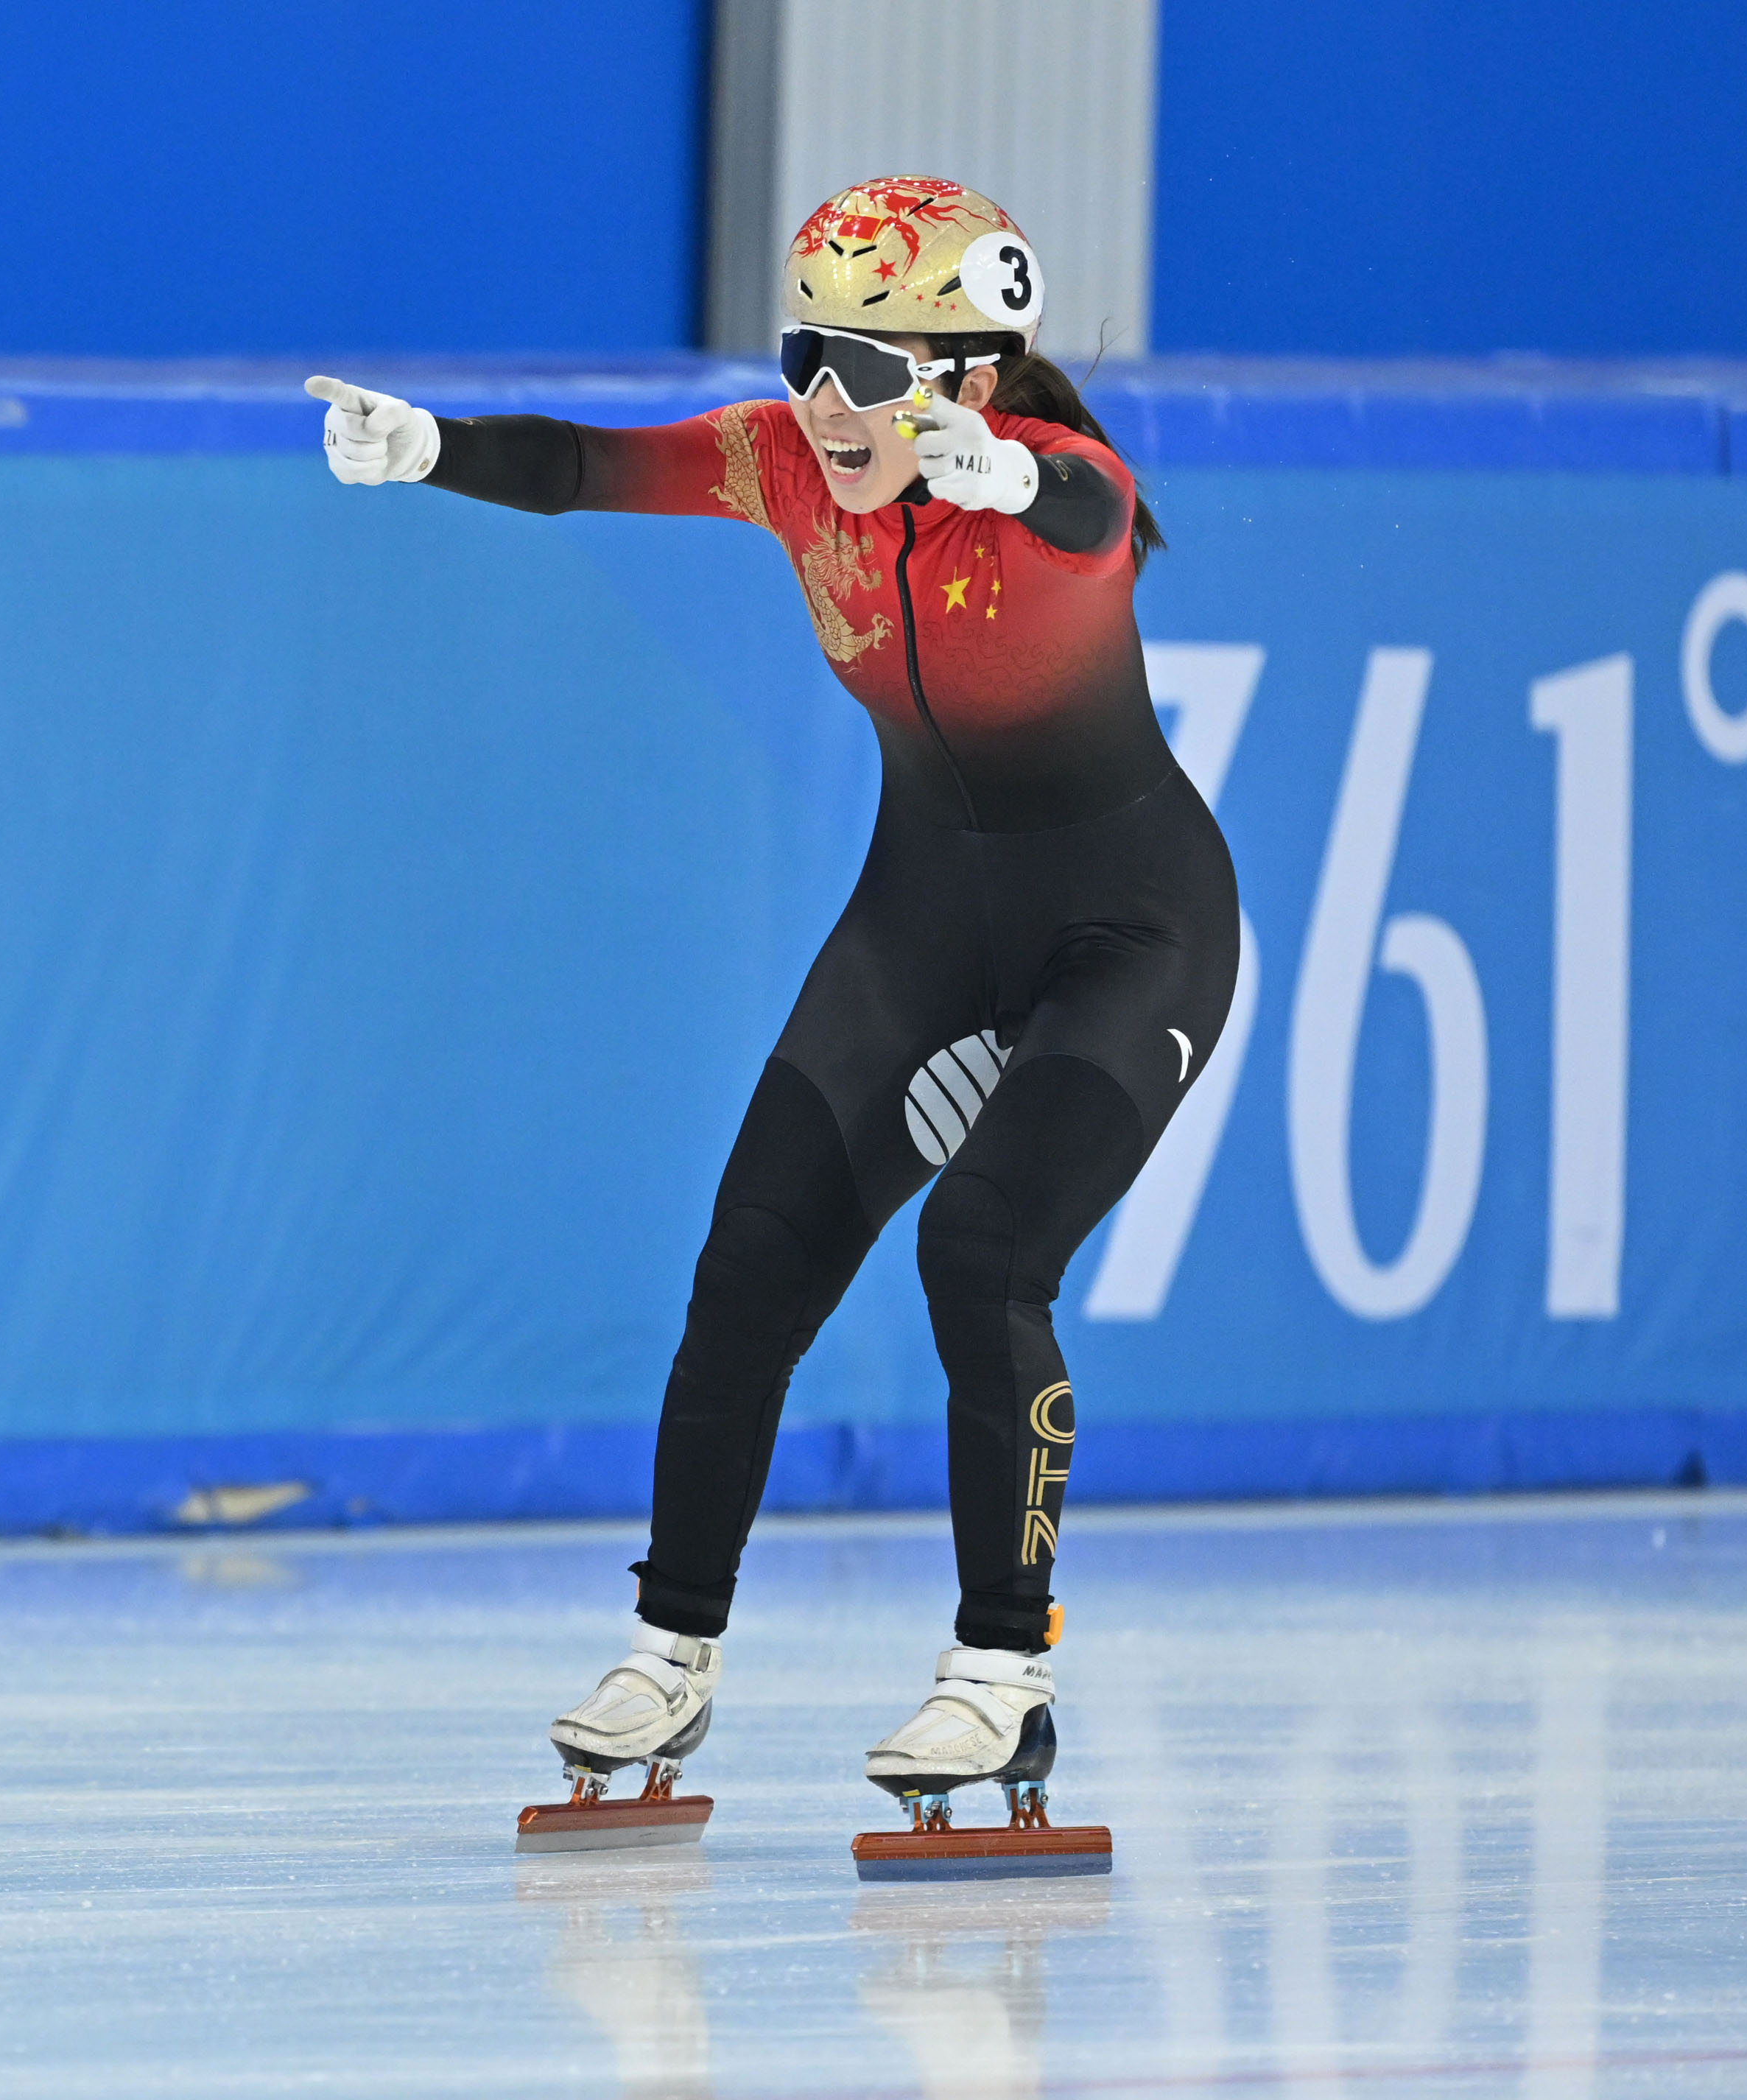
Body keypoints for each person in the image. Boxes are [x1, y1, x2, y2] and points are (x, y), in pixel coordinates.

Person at [307, 178, 1237, 1812]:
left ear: (968, 372)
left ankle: (998, 1675)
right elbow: (598, 465)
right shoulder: (784, 462)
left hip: (1133, 932)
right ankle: (668, 1655)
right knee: (749, 1262)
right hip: (925, 926)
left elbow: (1083, 510)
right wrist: (431, 448)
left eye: (874, 370)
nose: (828, 402)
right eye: (810, 353)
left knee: (980, 1251)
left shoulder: (1045, 480)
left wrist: (1003, 467)